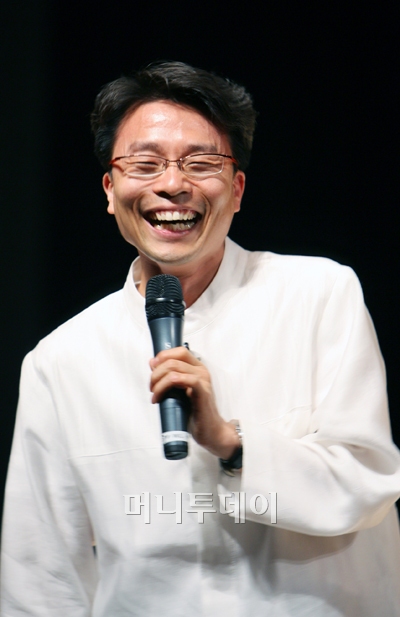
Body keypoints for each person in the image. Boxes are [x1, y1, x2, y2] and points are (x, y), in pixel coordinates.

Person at [1, 61, 400, 617]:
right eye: (145, 164)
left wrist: (232, 443)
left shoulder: (319, 294)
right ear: (110, 190)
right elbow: (41, 577)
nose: (172, 184)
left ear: (236, 189)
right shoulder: (60, 361)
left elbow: (367, 481)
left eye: (201, 163)